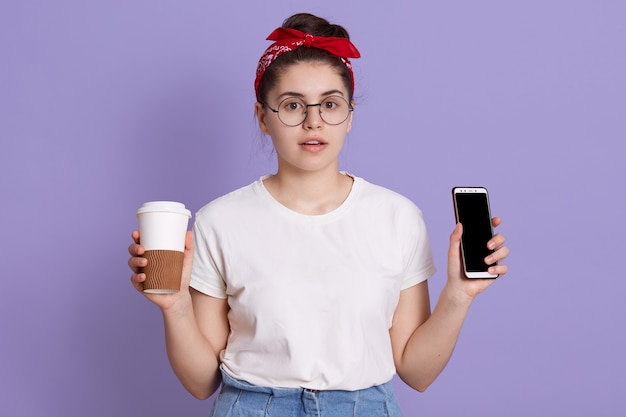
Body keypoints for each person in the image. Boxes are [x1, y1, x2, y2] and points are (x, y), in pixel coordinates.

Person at [128, 12, 509, 417]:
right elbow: (201, 382)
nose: (313, 121)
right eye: (292, 105)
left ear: (350, 116)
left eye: (330, 104)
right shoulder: (219, 221)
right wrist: (175, 306)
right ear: (263, 117)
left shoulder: (397, 217)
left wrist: (458, 294)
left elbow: (417, 372)